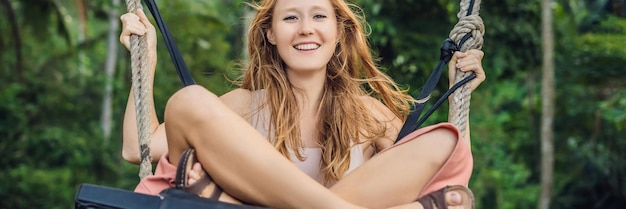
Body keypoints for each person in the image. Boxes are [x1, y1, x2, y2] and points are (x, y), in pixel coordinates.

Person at [119, 0, 486, 208]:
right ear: (271, 34)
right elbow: (140, 147)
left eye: (319, 15)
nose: (306, 28)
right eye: (291, 17)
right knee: (190, 100)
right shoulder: (242, 107)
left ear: (338, 31)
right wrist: (146, 62)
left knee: (446, 141)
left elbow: (445, 172)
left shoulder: (369, 117)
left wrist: (456, 87)